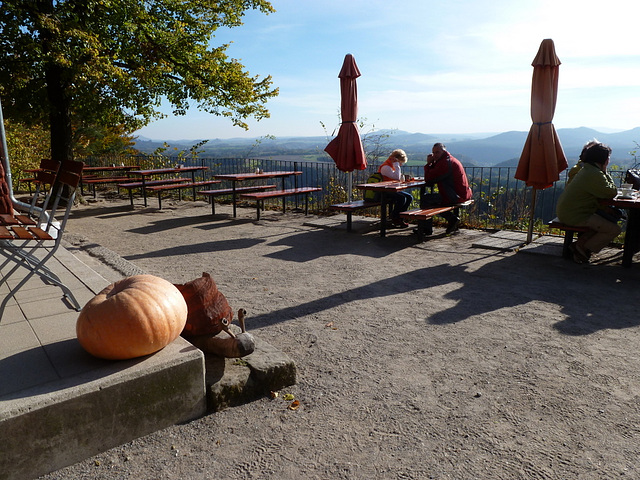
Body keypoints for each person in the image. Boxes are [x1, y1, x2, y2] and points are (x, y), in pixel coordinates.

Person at [556, 141, 621, 264]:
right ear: (604, 159)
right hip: (576, 215)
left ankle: (580, 246)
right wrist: (605, 170)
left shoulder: (587, 169)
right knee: (614, 229)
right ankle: (581, 248)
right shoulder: (594, 173)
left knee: (608, 220)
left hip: (570, 211)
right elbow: (611, 192)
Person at [421, 143, 473, 234]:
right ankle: (451, 219)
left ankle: (426, 229)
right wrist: (432, 164)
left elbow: (429, 179)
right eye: (433, 153)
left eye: (437, 152)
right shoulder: (449, 160)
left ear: (443, 151)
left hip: (455, 196)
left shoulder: (445, 163)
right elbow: (435, 174)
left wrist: (428, 164)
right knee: (431, 200)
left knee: (426, 199)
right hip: (461, 193)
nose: (434, 155)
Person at [378, 149, 414, 228]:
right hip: (384, 191)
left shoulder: (391, 167)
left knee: (409, 197)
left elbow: (396, 177)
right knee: (402, 198)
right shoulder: (386, 167)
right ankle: (395, 217)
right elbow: (397, 177)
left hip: (391, 189)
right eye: (400, 162)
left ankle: (400, 217)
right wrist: (396, 164)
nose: (400, 165)